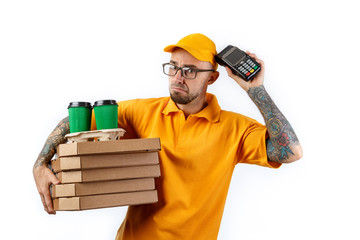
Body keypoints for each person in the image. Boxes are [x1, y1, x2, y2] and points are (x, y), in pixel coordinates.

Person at [33, 33, 302, 240]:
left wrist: (256, 90)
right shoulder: (141, 112)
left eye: (190, 70)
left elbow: (290, 151)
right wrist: (41, 163)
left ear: (212, 78)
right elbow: (75, 119)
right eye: (173, 67)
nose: (178, 77)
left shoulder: (235, 129)